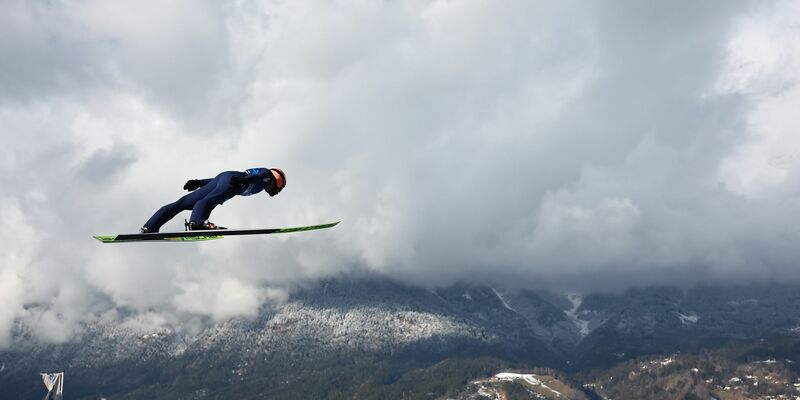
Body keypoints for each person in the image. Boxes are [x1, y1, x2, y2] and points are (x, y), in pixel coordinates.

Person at [140, 167, 286, 232]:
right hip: (233, 181)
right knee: (208, 201)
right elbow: (258, 177)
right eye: (279, 189)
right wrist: (244, 181)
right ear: (278, 181)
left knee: (181, 204)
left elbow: (217, 183)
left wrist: (199, 183)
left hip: (225, 177)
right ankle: (197, 223)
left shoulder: (263, 181)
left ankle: (149, 227)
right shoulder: (268, 176)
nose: (276, 192)